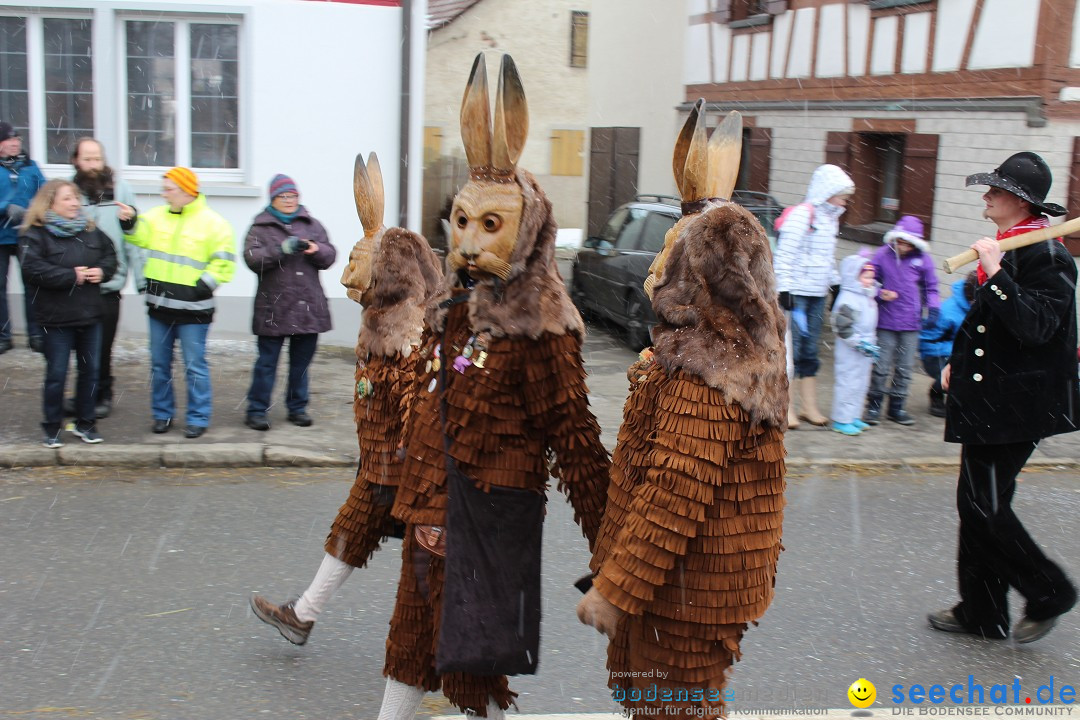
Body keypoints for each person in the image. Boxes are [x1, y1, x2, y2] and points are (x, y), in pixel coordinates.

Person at [370, 53, 610, 720]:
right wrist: (408, 491)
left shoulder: (543, 329)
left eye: (491, 225)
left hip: (488, 511)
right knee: (413, 641)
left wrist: (611, 545)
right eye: (462, 222)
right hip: (431, 503)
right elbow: (430, 400)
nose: (470, 242)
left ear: (527, 231)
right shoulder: (456, 310)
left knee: (471, 659)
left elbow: (576, 439)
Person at [577, 101, 787, 719]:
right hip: (676, 578)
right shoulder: (704, 355)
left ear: (701, 275)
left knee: (674, 704)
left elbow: (675, 492)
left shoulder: (714, 372)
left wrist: (617, 589)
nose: (654, 270)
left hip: (691, 585)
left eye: (671, 256)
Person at [249, 153, 442, 645]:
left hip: (411, 474)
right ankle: (304, 614)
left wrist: (407, 466)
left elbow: (419, 412)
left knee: (432, 560)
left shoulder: (411, 336)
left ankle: (451, 644)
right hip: (379, 468)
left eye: (359, 269)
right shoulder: (377, 326)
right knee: (352, 530)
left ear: (388, 274)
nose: (345, 280)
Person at [928, 151, 1079, 643]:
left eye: (994, 190)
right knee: (980, 505)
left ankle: (1050, 591)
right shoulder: (1009, 245)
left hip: (1019, 404)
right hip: (990, 396)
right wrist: (958, 362)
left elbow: (1036, 326)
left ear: (1018, 201)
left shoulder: (1047, 254)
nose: (986, 196)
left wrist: (996, 277)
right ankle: (982, 610)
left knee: (983, 507)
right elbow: (989, 327)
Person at [124, 167, 236, 439]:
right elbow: (138, 235)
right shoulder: (155, 217)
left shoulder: (213, 223)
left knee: (194, 365)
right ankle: (162, 414)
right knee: (159, 365)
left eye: (169, 188)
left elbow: (225, 262)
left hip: (194, 311)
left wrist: (201, 287)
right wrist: (128, 221)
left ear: (187, 190)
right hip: (159, 308)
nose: (164, 193)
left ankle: (198, 417)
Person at [19, 180, 117, 446]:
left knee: (90, 372)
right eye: (67, 199)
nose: (75, 203)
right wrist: (71, 276)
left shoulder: (91, 230)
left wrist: (103, 272)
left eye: (75, 198)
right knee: (57, 374)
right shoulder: (34, 235)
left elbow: (110, 256)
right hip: (55, 318)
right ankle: (52, 427)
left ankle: (86, 424)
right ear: (50, 203)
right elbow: (33, 270)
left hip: (89, 314)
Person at [241, 174, 336, 430]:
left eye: (293, 196)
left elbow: (330, 256)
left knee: (301, 366)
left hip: (307, 308)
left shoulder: (312, 225)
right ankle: (257, 410)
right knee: (266, 364)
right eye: (284, 196)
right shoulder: (260, 227)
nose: (289, 201)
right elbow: (252, 259)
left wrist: (316, 250)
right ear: (273, 199)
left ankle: (297, 408)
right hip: (274, 308)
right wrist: (281, 250)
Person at [773, 163, 855, 428]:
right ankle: (787, 408)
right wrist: (783, 288)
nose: (845, 200)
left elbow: (826, 258)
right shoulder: (801, 215)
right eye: (843, 193)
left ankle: (809, 406)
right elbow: (785, 254)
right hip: (796, 295)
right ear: (828, 190)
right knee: (791, 352)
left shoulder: (830, 219)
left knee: (809, 351)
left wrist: (836, 283)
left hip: (817, 295)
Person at [65, 138, 141, 419]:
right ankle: (85, 395)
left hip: (109, 284)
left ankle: (103, 394)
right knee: (80, 346)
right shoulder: (68, 192)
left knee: (102, 345)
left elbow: (134, 236)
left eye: (97, 159)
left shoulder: (120, 190)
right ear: (76, 161)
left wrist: (141, 279)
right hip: (75, 282)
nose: (93, 165)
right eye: (87, 159)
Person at [863, 215, 940, 426]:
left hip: (911, 323)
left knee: (905, 368)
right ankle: (874, 405)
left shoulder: (923, 259)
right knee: (881, 366)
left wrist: (933, 308)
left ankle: (897, 407)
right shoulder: (881, 255)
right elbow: (868, 279)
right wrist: (879, 293)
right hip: (886, 321)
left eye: (907, 243)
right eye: (900, 241)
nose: (902, 246)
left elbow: (931, 287)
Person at [0, 121, 46, 354]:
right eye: (9, 139)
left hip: (27, 234)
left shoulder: (31, 167)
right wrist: (5, 208)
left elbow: (46, 195)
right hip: (1, 235)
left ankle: (36, 334)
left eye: (17, 139)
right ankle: (3, 336)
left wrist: (33, 212)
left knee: (33, 284)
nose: (15, 143)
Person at [829, 254, 879, 436]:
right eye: (865, 277)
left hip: (865, 348)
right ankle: (842, 418)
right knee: (848, 383)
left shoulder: (867, 297)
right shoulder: (848, 299)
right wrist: (859, 343)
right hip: (850, 349)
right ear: (853, 276)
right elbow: (842, 327)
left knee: (861, 383)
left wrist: (870, 344)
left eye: (871, 277)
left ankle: (854, 415)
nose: (870, 281)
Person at [918, 271, 976, 418]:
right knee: (954, 374)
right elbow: (927, 339)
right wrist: (956, 353)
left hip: (958, 352)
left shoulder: (975, 307)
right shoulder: (948, 311)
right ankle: (936, 393)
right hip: (935, 353)